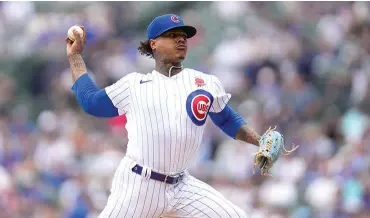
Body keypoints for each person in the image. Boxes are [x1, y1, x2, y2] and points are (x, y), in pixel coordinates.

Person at [66, 14, 262, 218]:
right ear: (154, 44)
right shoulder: (134, 85)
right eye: (172, 35)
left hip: (183, 186)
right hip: (139, 185)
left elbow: (226, 119)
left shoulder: (204, 82)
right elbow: (91, 102)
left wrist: (260, 140)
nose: (181, 39)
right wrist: (75, 57)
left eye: (184, 36)